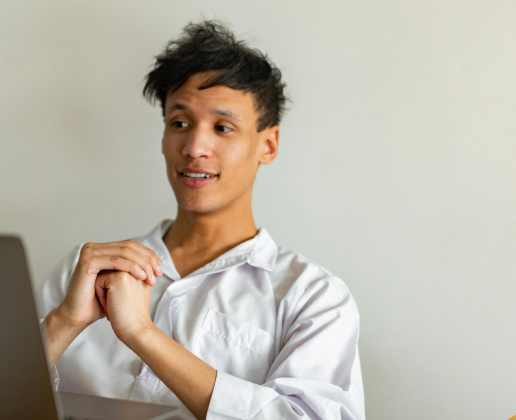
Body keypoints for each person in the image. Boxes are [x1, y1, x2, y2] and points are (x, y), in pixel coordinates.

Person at [38, 20, 364, 420]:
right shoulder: (84, 271)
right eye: (180, 123)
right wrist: (65, 320)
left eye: (223, 127)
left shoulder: (312, 297)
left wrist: (143, 335)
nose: (194, 147)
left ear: (268, 144)